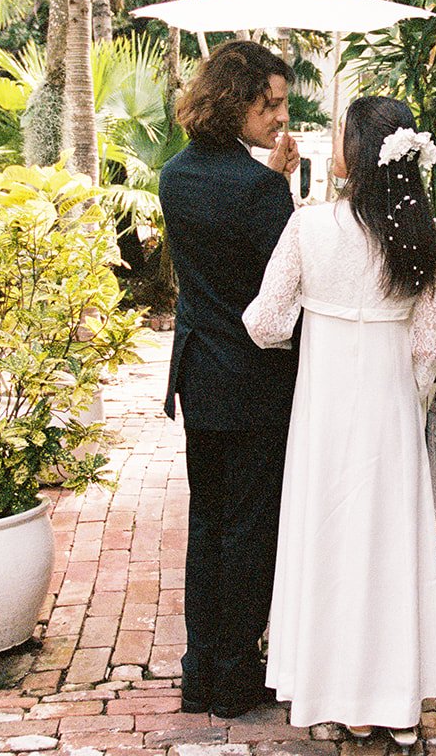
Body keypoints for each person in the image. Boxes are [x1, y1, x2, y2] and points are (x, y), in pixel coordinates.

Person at [243, 96, 436, 745]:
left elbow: (266, 323)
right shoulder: (424, 240)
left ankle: (343, 701)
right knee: (390, 550)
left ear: (356, 152)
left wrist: (306, 337)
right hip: (389, 418)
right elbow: (428, 350)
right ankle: (398, 705)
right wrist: (406, 400)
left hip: (325, 416)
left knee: (329, 547)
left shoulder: (309, 228)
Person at [158, 41, 301, 719]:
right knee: (249, 530)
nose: (281, 114)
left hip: (200, 376)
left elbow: (219, 261)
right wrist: (280, 186)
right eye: (269, 102)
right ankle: (238, 674)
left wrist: (270, 177)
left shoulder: (175, 175)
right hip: (255, 382)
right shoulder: (261, 189)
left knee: (207, 523)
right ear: (235, 99)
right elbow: (285, 287)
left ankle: (199, 671)